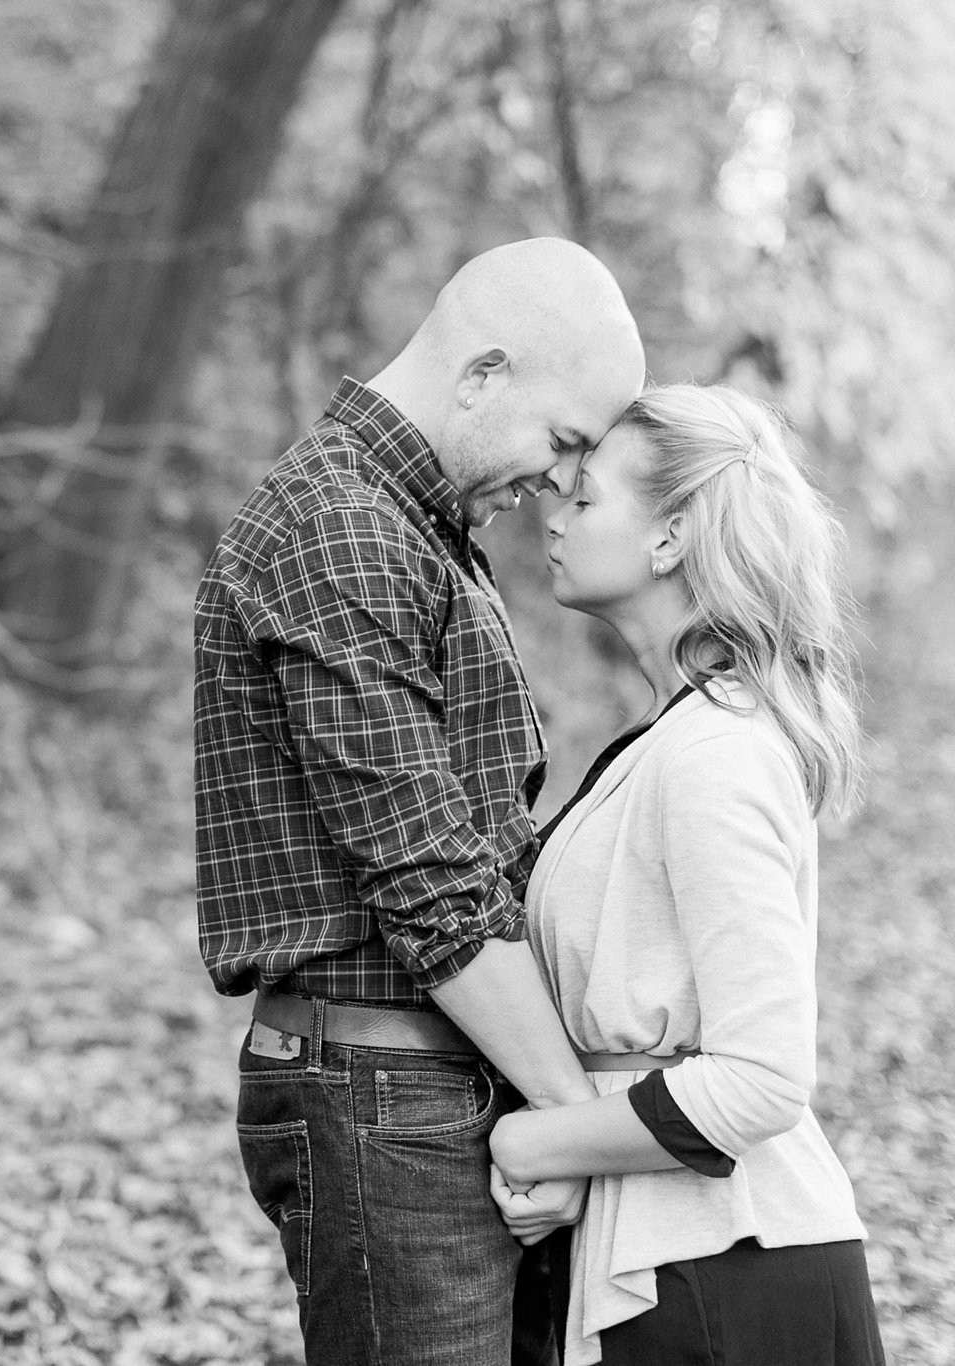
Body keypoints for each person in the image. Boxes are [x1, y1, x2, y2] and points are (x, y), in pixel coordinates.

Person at [193, 237, 646, 1365]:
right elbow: (431, 886)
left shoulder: (406, 527)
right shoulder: (340, 531)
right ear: (483, 373)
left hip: (429, 1087)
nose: (557, 479)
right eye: (562, 440)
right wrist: (571, 1122)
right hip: (382, 1096)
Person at [486, 384, 887, 1366]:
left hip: (728, 1271)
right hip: (684, 1258)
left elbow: (760, 1077)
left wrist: (537, 1144)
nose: (552, 511)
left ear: (667, 539)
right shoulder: (677, 736)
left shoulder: (715, 753)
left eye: (584, 500)